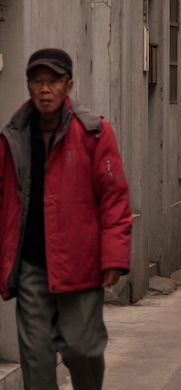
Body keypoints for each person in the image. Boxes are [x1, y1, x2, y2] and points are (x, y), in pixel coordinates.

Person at [0, 48, 132, 390]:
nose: (45, 89)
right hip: (30, 263)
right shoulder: (13, 136)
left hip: (80, 262)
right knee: (36, 356)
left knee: (80, 348)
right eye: (37, 81)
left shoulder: (94, 132)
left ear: (68, 86)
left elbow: (114, 197)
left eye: (53, 81)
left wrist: (114, 256)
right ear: (28, 86)